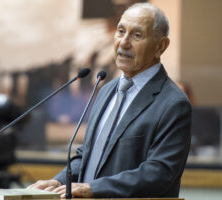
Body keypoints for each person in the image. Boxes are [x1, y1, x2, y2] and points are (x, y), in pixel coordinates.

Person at [28, 2, 191, 198]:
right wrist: (59, 181)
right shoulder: (106, 90)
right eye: (120, 31)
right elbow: (87, 154)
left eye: (136, 35)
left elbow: (160, 172)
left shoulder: (173, 103)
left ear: (160, 46)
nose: (123, 42)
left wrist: (94, 188)